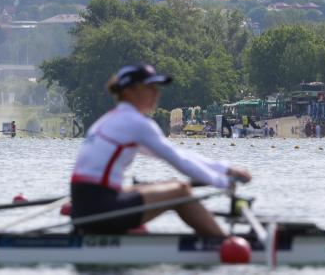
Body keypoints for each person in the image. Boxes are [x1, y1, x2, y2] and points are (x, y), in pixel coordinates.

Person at [70, 64, 251, 237]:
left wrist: (225, 169)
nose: (156, 93)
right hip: (99, 210)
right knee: (180, 191)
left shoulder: (109, 120)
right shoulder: (135, 123)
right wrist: (222, 182)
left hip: (86, 205)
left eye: (157, 87)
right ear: (129, 91)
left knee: (167, 185)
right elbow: (178, 160)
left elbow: (179, 154)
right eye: (149, 87)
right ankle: (222, 242)